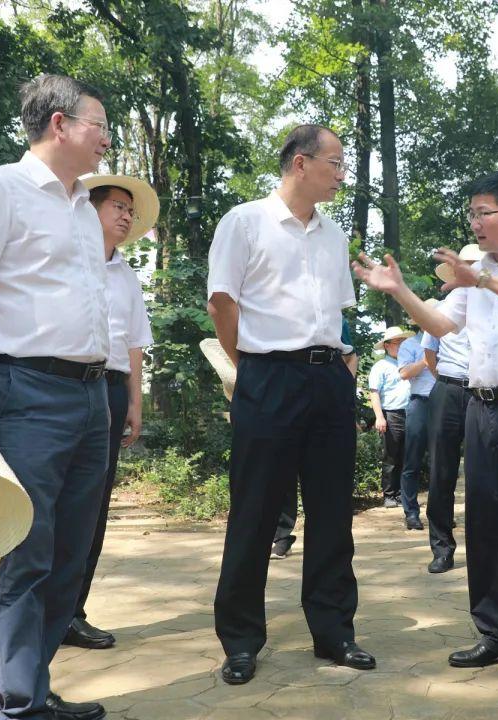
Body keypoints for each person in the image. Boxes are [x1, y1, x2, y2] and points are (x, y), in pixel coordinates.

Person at [354, 171, 498, 696]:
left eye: (485, 213)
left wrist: (483, 281)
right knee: (485, 523)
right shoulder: (473, 275)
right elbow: (439, 323)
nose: (475, 223)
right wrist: (400, 289)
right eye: (472, 214)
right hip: (483, 407)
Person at [0, 73, 114, 720]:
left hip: (89, 394)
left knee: (70, 557)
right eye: (99, 124)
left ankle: (33, 690)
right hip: (25, 392)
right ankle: (16, 705)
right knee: (25, 552)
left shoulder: (79, 206)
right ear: (60, 124)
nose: (106, 138)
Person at [0, 174, 158, 672]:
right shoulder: (51, 248)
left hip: (103, 389)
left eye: (131, 211)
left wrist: (133, 401)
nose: (125, 216)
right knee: (23, 516)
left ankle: (67, 615)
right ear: (87, 209)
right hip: (39, 384)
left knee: (83, 519)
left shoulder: (125, 275)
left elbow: (133, 345)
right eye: (117, 205)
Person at [207, 124, 375, 686]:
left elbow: (338, 315)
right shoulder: (245, 221)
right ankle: (240, 639)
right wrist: (249, 365)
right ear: (301, 164)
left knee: (332, 511)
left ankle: (334, 632)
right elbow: (221, 301)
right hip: (268, 376)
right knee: (254, 510)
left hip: (329, 380)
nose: (341, 174)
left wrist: (343, 370)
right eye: (335, 163)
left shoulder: (333, 235)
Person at [271, 317, 359, 559]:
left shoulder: (337, 318)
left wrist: (343, 389)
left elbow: (351, 356)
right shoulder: (273, 308)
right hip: (279, 386)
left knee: (326, 480)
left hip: (329, 392)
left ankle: (323, 555)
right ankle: (281, 535)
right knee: (281, 471)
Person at [422, 244, 484, 573]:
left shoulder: (494, 304)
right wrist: (448, 380)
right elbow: (429, 354)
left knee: (482, 472)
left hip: (481, 394)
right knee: (441, 471)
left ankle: (483, 545)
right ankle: (441, 547)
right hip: (447, 389)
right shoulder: (441, 307)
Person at [368, 327, 414, 517]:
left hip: (411, 412)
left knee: (409, 456)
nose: (402, 345)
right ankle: (389, 494)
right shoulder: (380, 366)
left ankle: (404, 493)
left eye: (404, 342)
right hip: (392, 414)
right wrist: (379, 416)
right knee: (391, 457)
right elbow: (374, 392)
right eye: (397, 342)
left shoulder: (410, 364)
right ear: (387, 346)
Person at [397, 327, 436, 530]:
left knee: (441, 463)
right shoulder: (410, 344)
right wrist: (427, 358)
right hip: (419, 403)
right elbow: (404, 373)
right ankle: (411, 513)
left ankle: (440, 512)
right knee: (413, 460)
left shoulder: (448, 342)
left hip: (443, 403)